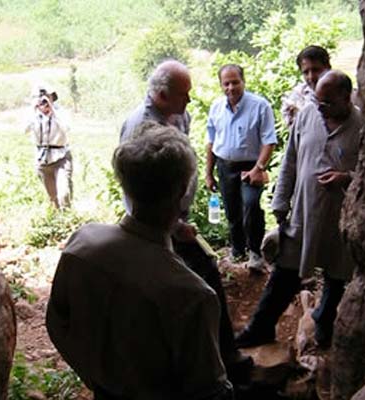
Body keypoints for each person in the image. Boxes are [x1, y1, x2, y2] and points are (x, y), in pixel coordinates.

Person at [46, 125, 233, 400]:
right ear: (182, 190)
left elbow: (56, 324)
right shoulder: (192, 295)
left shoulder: (82, 244)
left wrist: (95, 375)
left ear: (125, 183)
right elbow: (209, 390)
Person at [121, 60, 252, 380]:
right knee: (199, 281)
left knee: (204, 276)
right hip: (157, 227)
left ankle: (220, 355)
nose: (189, 101)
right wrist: (171, 226)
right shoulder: (139, 125)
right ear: (162, 95)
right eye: (184, 94)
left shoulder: (178, 115)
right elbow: (132, 183)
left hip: (176, 219)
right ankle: (214, 362)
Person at [235, 70, 363, 350]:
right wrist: (280, 202)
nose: (320, 108)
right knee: (284, 273)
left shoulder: (362, 125)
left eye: (327, 103)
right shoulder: (308, 116)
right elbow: (290, 161)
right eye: (317, 101)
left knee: (336, 277)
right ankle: (261, 328)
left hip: (340, 218)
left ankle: (324, 326)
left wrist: (346, 178)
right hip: (303, 212)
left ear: (346, 97)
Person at [205, 64, 277, 272]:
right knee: (232, 209)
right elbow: (210, 142)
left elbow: (269, 140)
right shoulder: (216, 107)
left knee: (251, 204)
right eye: (226, 83)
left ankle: (255, 252)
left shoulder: (260, 106)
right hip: (225, 165)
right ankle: (237, 250)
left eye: (235, 82)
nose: (231, 87)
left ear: (243, 81)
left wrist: (259, 167)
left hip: (251, 166)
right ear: (220, 85)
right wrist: (209, 173)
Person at [25, 86, 73, 208]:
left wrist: (53, 111)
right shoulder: (33, 115)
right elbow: (23, 130)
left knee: (64, 194)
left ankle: (68, 218)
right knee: (53, 198)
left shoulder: (60, 113)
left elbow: (67, 128)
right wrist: (33, 109)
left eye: (47, 99)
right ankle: (57, 221)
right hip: (42, 159)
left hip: (60, 158)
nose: (44, 104)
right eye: (41, 101)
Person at [280, 45, 332, 129]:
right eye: (306, 72)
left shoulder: (342, 93)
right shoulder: (297, 96)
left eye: (316, 70)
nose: (311, 77)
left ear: (328, 68)